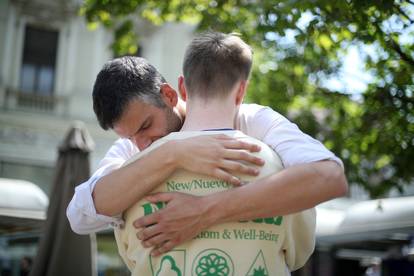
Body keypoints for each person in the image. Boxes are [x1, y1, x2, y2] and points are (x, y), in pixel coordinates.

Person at [67, 31, 347, 256]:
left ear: (170, 94)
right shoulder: (137, 146)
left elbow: (329, 177)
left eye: (146, 126)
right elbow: (80, 216)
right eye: (130, 137)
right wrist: (172, 153)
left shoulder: (253, 120)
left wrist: (205, 211)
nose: (141, 145)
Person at [115, 31, 316, 276]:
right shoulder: (280, 170)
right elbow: (299, 253)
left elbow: (131, 257)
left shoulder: (129, 177)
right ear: (240, 92)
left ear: (182, 89)